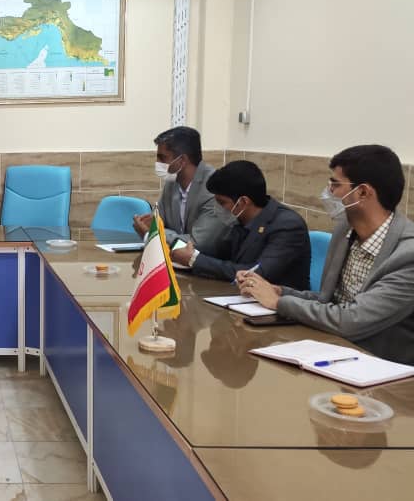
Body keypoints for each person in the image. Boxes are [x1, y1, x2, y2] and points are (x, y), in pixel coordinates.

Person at [240, 145, 414, 365]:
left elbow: (352, 320)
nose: (328, 192)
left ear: (363, 192)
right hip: (332, 349)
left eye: (335, 184)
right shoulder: (345, 230)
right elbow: (329, 301)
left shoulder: (408, 256)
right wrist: (279, 291)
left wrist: (279, 303)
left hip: (383, 369)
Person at [171, 160, 311, 290]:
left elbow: (255, 274)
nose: (217, 208)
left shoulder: (288, 225)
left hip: (278, 305)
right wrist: (186, 251)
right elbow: (219, 253)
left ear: (243, 202)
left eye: (222, 202)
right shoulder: (240, 219)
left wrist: (195, 259)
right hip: (238, 296)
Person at [133, 126, 225, 255]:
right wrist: (150, 227)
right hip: (174, 259)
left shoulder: (213, 187)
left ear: (182, 160)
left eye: (162, 158)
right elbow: (157, 221)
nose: (157, 162)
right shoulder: (172, 182)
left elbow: (197, 243)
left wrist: (153, 233)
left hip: (206, 262)